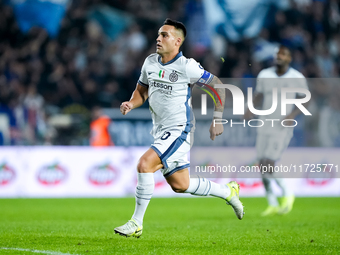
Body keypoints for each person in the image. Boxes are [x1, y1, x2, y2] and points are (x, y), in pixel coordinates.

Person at [114, 18, 244, 238]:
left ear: (177, 42)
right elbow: (142, 92)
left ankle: (136, 223)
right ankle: (228, 192)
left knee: (145, 164)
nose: (158, 38)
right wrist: (131, 103)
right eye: (158, 34)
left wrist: (218, 118)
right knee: (180, 185)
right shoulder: (150, 62)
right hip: (160, 129)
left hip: (179, 129)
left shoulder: (187, 66)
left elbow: (218, 86)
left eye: (164, 35)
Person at [245, 45, 309, 216]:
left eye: (283, 54)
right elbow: (259, 94)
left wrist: (292, 115)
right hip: (264, 123)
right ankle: (272, 203)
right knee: (261, 165)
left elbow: (306, 100)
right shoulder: (265, 75)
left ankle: (288, 194)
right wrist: (250, 109)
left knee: (268, 162)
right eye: (277, 54)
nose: (279, 56)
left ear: (289, 58)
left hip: (282, 126)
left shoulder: (297, 77)